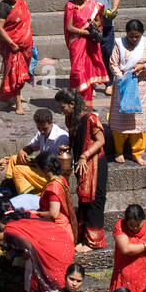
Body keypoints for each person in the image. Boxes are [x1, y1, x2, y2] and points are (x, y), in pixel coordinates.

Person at [56, 88, 107, 251]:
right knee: (83, 198)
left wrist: (85, 155)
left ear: (72, 104)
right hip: (81, 163)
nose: (61, 110)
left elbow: (100, 141)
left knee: (94, 198)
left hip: (95, 163)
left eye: (63, 107)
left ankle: (94, 241)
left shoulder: (91, 118)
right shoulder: (71, 119)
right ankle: (83, 236)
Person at [108, 19, 146, 165]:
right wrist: (121, 77)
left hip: (140, 85)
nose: (134, 39)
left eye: (137, 36)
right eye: (131, 36)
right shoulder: (119, 43)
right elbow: (113, 63)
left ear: (141, 34)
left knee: (139, 120)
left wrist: (142, 66)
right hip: (123, 85)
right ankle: (119, 151)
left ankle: (137, 152)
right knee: (120, 120)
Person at [73, 0, 121, 84]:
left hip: (106, 23)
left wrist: (114, 8)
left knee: (108, 53)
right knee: (91, 54)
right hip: (88, 25)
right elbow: (73, 0)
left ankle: (109, 82)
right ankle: (91, 83)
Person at [3, 108, 69, 195]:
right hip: (41, 166)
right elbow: (31, 147)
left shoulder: (61, 137)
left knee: (17, 170)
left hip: (51, 174)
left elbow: (60, 166)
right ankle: (10, 187)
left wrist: (38, 165)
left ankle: (26, 195)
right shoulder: (41, 133)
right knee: (14, 159)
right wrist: (23, 151)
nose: (41, 131)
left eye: (44, 128)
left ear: (51, 123)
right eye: (39, 128)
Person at [63, 0, 108, 102]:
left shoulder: (93, 5)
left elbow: (99, 21)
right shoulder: (70, 6)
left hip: (90, 44)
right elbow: (69, 27)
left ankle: (86, 102)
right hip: (77, 44)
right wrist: (84, 32)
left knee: (88, 71)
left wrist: (95, 27)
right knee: (78, 71)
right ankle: (75, 100)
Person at [0, 0, 33, 114]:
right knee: (16, 74)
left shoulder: (22, 2)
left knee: (15, 74)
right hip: (12, 47)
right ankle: (18, 104)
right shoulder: (2, 7)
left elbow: (26, 21)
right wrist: (12, 43)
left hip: (25, 46)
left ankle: (5, 96)